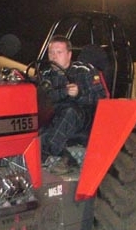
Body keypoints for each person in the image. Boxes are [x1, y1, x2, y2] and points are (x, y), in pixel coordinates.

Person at [38, 36, 109, 174]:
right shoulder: (44, 75)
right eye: (51, 53)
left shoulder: (84, 70)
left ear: (69, 54)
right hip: (57, 115)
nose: (54, 57)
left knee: (69, 111)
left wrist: (79, 94)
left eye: (59, 52)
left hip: (84, 117)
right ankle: (66, 158)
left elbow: (101, 98)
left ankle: (45, 154)